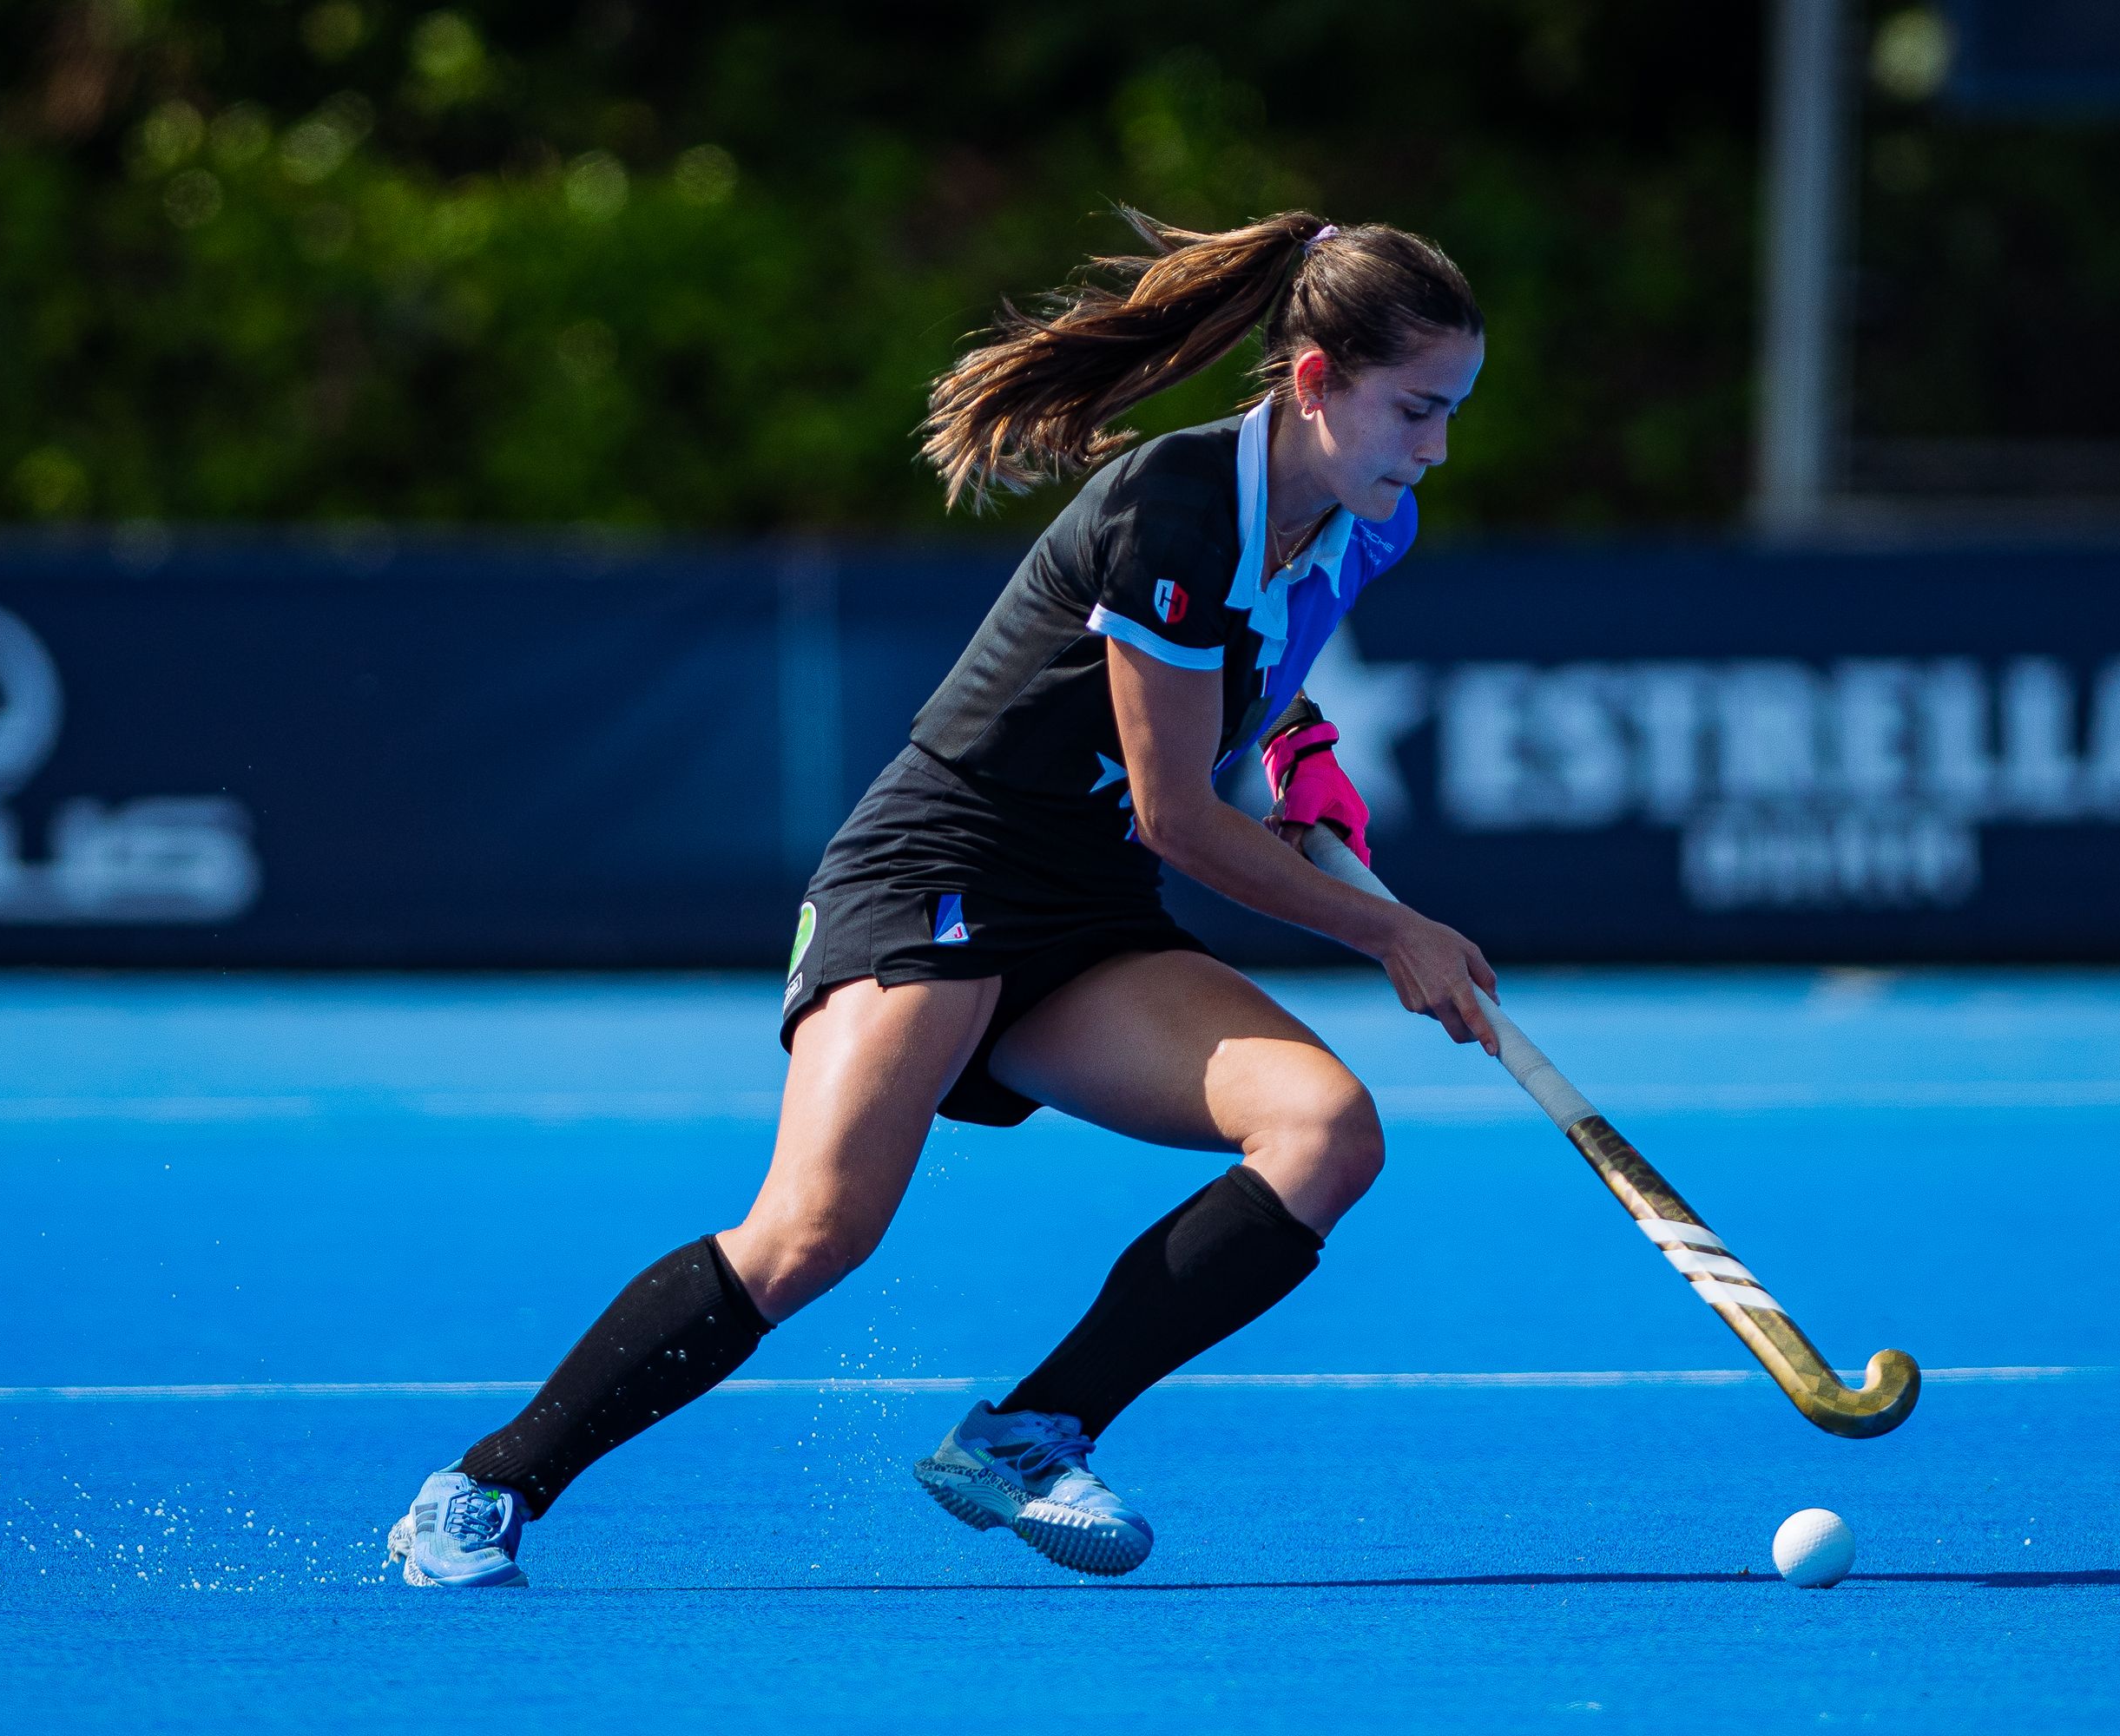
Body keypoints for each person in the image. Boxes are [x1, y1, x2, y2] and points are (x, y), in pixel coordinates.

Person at [389, 209, 1495, 1587]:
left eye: (1452, 412)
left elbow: (1251, 680)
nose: (1436, 447)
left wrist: (1298, 751)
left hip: (1080, 907)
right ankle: (479, 1492)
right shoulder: (1177, 506)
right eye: (1417, 409)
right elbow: (1178, 816)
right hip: (939, 872)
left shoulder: (1366, 519)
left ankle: (1028, 1437)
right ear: (1317, 378)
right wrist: (1392, 929)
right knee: (812, 1235)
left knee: (1326, 1134)